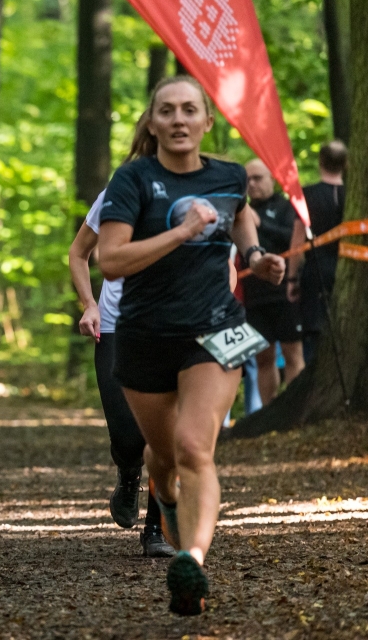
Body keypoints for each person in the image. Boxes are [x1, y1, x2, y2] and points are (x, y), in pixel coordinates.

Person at [97, 76, 285, 615]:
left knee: (195, 448)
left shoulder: (229, 176)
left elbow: (240, 218)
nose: (178, 120)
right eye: (167, 111)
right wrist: (180, 234)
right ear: (152, 123)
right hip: (145, 334)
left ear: (206, 122)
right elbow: (110, 261)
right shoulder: (133, 179)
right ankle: (165, 496)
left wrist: (255, 259)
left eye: (189, 110)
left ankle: (193, 563)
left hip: (215, 328)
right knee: (162, 457)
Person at [70, 183, 176, 559]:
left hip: (174, 329)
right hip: (116, 328)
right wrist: (88, 305)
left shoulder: (201, 193)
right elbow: (78, 253)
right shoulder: (117, 195)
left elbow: (225, 263)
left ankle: (156, 530)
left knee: (166, 436)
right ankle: (128, 474)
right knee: (129, 437)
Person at [242, 159, 303, 404]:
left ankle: (295, 408)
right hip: (255, 297)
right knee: (263, 359)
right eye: (248, 180)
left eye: (258, 178)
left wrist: (261, 223)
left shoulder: (286, 207)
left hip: (285, 293)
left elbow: (293, 239)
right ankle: (269, 412)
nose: (252, 184)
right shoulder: (242, 212)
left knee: (292, 354)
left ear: (271, 179)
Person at [288, 140, 347, 362]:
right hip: (351, 268)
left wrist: (292, 279)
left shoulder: (307, 195)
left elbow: (297, 241)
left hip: (317, 273)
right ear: (347, 164)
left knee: (315, 331)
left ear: (320, 161)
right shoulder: (354, 194)